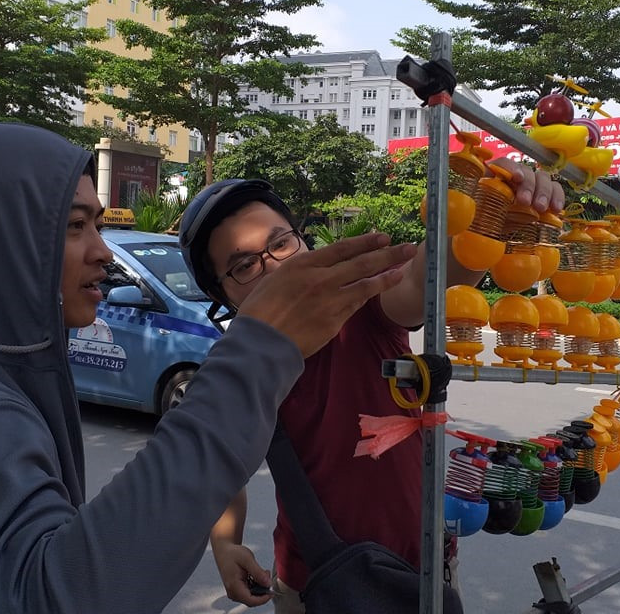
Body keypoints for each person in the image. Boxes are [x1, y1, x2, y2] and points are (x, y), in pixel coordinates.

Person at [0, 122, 417, 614]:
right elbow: (63, 593)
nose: (104, 253)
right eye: (75, 226)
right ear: (3, 241)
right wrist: (257, 353)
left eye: (100, 226)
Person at [178, 166, 564, 612]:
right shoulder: (238, 365)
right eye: (244, 265)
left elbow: (430, 277)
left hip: (422, 574)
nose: (276, 268)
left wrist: (492, 210)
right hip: (317, 587)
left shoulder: (363, 306)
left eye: (281, 243)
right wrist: (225, 543)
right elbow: (222, 462)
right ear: (225, 296)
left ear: (303, 241)